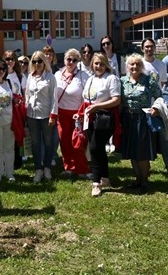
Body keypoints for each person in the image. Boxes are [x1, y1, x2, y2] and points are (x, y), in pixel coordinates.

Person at [121, 54, 164, 193]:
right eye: (131, 64)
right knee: (132, 150)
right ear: (127, 66)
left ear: (141, 66)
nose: (134, 67)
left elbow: (159, 96)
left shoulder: (148, 80)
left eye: (137, 64)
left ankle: (145, 181)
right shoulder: (122, 81)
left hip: (142, 119)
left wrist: (156, 108)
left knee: (142, 151)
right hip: (127, 119)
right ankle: (137, 179)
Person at [141, 38, 168, 180]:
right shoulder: (139, 64)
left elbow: (162, 84)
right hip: (142, 107)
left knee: (164, 139)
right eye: (146, 47)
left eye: (151, 46)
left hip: (157, 106)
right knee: (144, 139)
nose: (149, 49)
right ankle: (144, 170)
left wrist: (159, 105)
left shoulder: (161, 65)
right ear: (142, 49)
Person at [83, 53, 121, 196]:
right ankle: (105, 177)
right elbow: (87, 98)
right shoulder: (90, 79)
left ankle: (96, 182)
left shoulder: (111, 79)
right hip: (90, 118)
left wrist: (97, 107)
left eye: (101, 64)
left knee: (94, 148)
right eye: (96, 63)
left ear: (106, 64)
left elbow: (116, 100)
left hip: (104, 118)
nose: (98, 66)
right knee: (98, 149)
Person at [50, 48, 90, 177]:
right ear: (64, 59)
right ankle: (68, 167)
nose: (71, 62)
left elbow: (86, 96)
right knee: (64, 141)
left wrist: (83, 114)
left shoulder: (83, 75)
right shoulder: (57, 74)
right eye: (69, 59)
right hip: (61, 113)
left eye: (74, 60)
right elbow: (54, 97)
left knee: (78, 141)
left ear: (78, 62)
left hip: (77, 114)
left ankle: (81, 168)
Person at [25, 51, 56, 183]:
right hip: (32, 115)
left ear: (44, 62)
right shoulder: (30, 77)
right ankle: (38, 169)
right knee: (35, 143)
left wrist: (53, 115)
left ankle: (47, 167)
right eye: (34, 61)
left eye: (39, 61)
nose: (37, 64)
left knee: (48, 142)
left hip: (46, 114)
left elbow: (54, 98)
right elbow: (27, 93)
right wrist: (26, 104)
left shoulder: (50, 77)